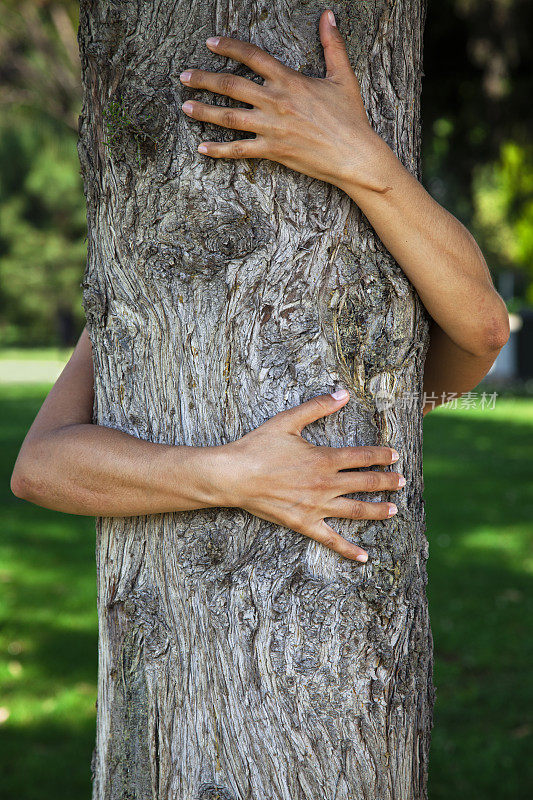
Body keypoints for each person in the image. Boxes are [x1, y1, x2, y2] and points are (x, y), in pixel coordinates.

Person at [10, 9, 509, 565]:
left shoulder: (391, 371)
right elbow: (39, 468)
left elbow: (482, 327)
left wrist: (356, 154)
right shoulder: (148, 298)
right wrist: (232, 477)